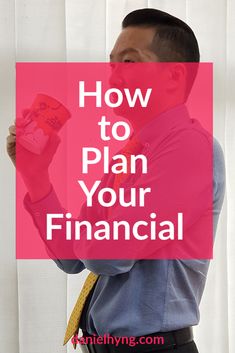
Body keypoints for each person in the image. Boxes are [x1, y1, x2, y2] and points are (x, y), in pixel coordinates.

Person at [7, 8, 225, 353]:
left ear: (173, 76)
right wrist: (36, 177)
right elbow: (71, 256)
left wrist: (90, 236)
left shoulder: (189, 149)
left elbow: (107, 254)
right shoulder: (130, 157)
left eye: (130, 62)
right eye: (112, 64)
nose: (113, 77)